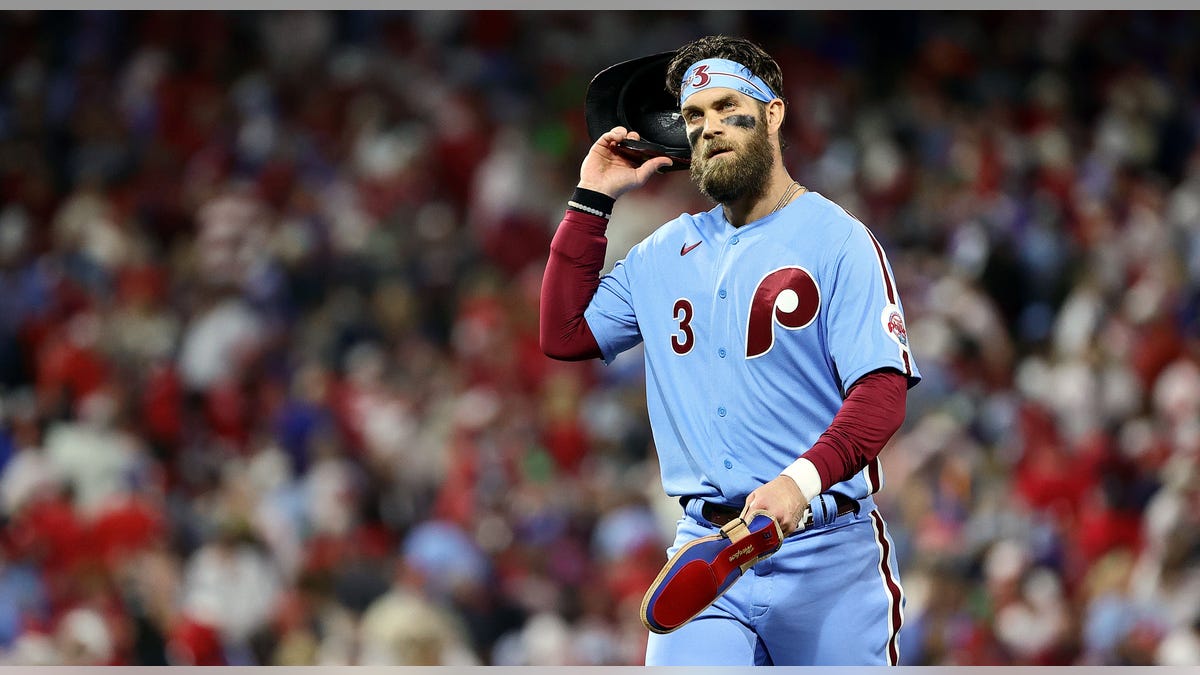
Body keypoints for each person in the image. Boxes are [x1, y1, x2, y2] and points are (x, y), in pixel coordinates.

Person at [540, 35, 921, 666]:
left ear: (773, 113)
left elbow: (881, 394)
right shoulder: (663, 252)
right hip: (711, 550)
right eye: (693, 117)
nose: (709, 127)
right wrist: (592, 198)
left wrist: (800, 482)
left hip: (829, 553)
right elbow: (565, 334)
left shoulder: (838, 240)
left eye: (725, 107)